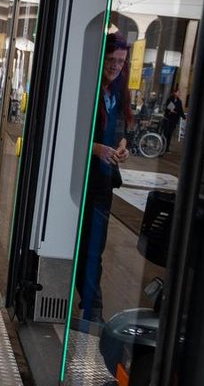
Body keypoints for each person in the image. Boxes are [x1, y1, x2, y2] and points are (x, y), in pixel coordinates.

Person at [76, 32, 132, 322]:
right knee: (82, 244)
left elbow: (122, 131)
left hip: (104, 181)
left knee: (95, 247)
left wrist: (122, 147)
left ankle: (91, 308)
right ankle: (91, 306)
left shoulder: (119, 93)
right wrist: (95, 148)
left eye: (121, 61)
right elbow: (68, 134)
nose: (115, 66)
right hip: (81, 179)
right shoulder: (88, 90)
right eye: (110, 60)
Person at [162, 88, 184, 153]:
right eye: (178, 92)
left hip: (174, 120)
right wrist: (172, 111)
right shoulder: (170, 99)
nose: (179, 93)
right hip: (168, 119)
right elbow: (168, 108)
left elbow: (180, 110)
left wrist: (184, 117)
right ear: (175, 93)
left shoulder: (179, 101)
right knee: (166, 133)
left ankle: (167, 148)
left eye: (180, 92)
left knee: (170, 134)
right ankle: (163, 147)